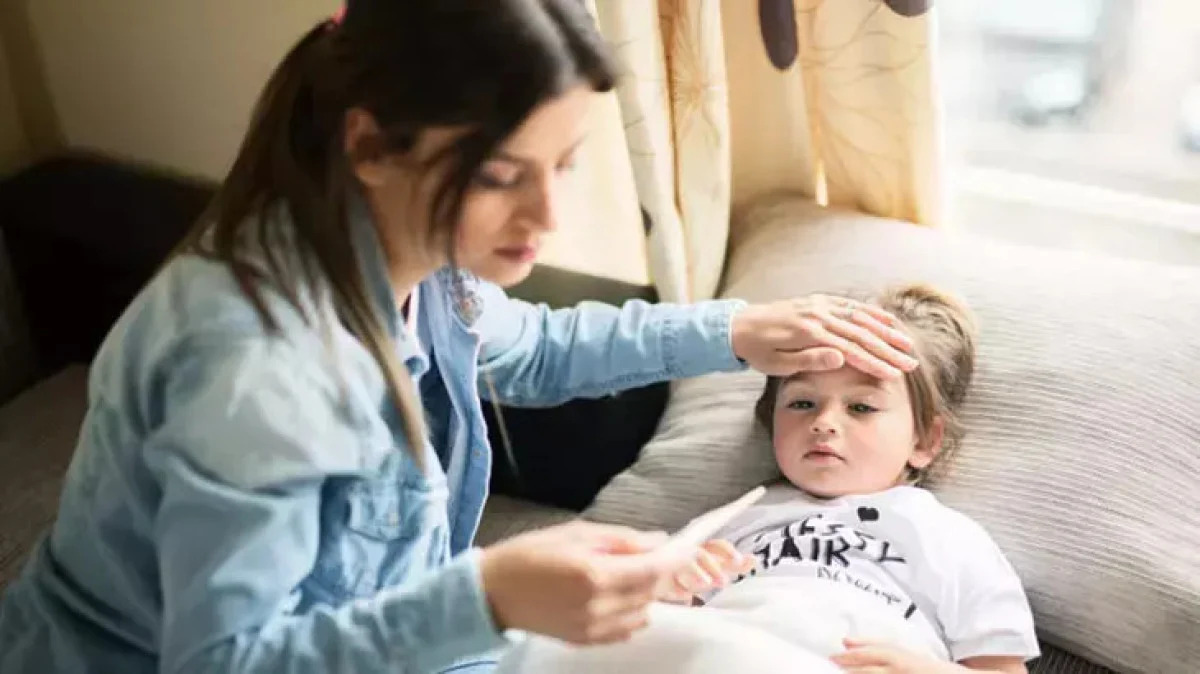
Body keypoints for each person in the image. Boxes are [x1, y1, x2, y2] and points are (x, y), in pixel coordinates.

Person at [0, 2, 917, 673]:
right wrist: (485, 597)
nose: (546, 215)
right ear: (371, 146)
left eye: (563, 166)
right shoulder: (256, 371)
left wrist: (737, 330)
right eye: (501, 176)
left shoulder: (413, 256)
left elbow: (535, 352)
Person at [664, 284, 1041, 673]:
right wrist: (674, 589)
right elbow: (646, 627)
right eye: (802, 403)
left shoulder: (953, 540)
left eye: (861, 407)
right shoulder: (734, 518)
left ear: (925, 440)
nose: (823, 423)